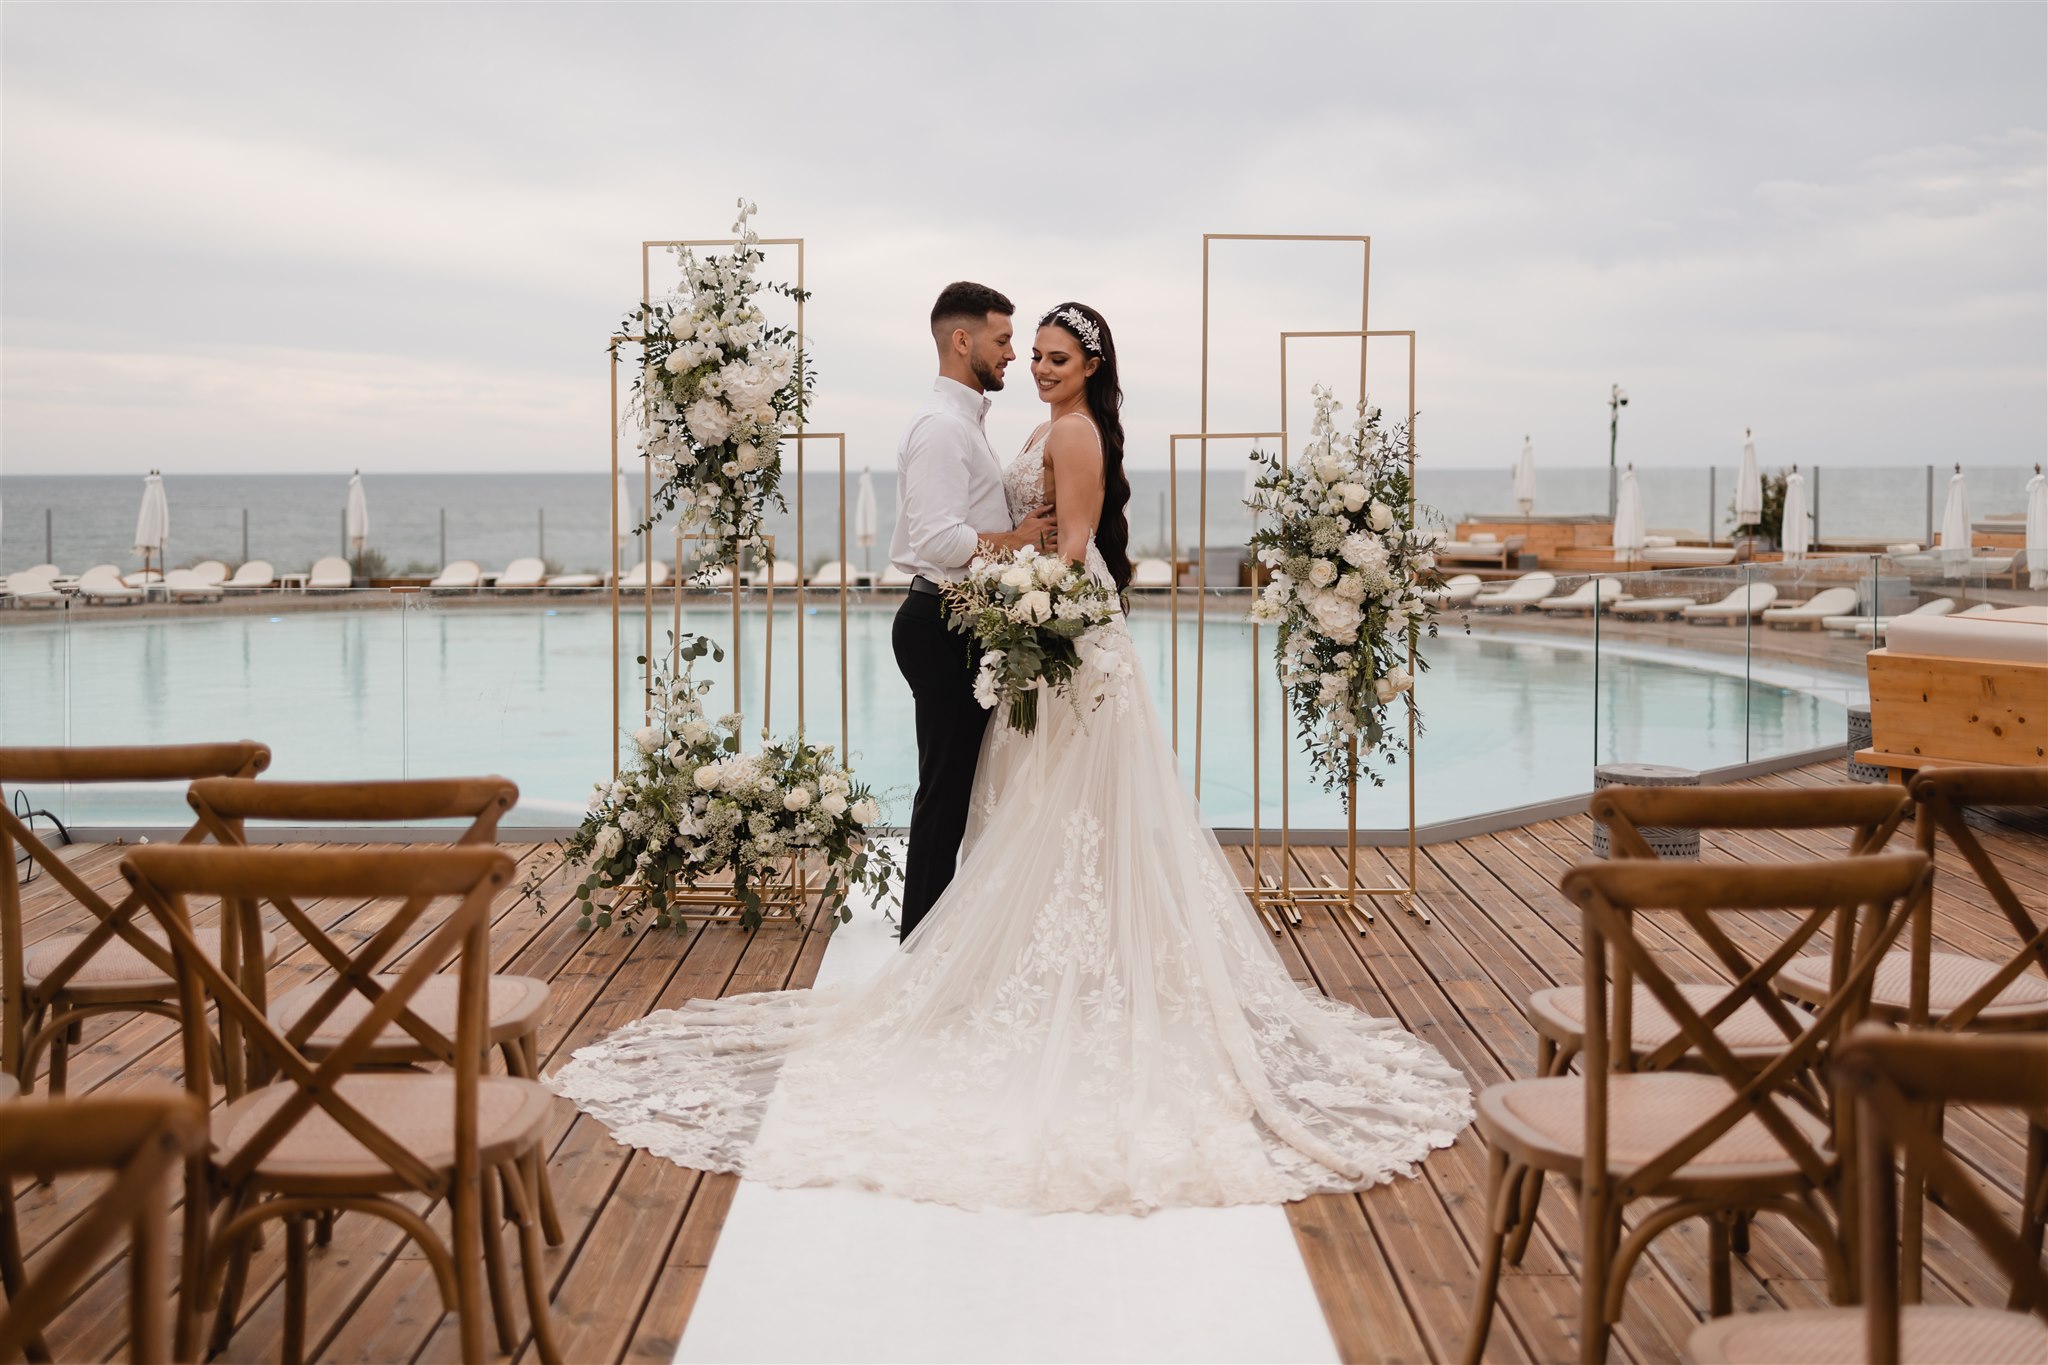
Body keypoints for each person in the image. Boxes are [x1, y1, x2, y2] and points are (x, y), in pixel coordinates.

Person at [551, 301, 1472, 1216]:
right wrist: (1016, 581)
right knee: (1026, 801)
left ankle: (1041, 959)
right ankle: (998, 951)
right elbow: (1011, 538)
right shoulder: (1025, 426)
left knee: (1054, 799)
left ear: (1092, 364)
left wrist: (1029, 601)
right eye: (1026, 350)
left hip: (1067, 635)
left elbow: (1071, 551)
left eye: (1054, 355)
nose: (1035, 364)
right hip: (1030, 629)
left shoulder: (1070, 436)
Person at [887, 282, 1057, 940]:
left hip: (960, 621)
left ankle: (940, 943)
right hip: (941, 623)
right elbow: (937, 538)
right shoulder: (940, 427)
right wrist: (1015, 543)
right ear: (964, 341)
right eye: (1005, 340)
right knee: (945, 797)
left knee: (959, 792)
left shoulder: (966, 423)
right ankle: (919, 950)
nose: (1015, 354)